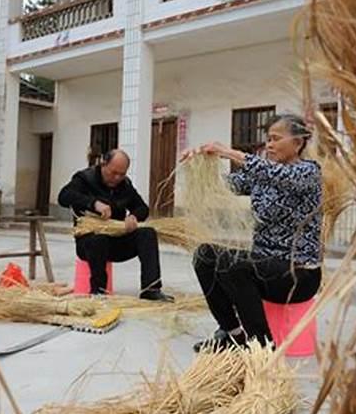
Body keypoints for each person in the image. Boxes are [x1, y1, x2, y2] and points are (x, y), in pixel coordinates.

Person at [184, 113, 322, 352]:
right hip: (265, 269)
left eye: (276, 138)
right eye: (267, 139)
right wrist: (200, 165)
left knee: (232, 263)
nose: (269, 144)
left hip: (297, 274)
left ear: (298, 143)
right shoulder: (261, 176)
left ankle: (260, 346)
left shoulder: (308, 173)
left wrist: (228, 152)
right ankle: (232, 332)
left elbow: (277, 175)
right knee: (205, 254)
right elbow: (226, 184)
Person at [58, 149, 174, 302]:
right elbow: (63, 197)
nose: (117, 177)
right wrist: (93, 204)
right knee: (99, 239)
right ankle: (98, 291)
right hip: (89, 244)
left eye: (122, 174)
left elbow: (142, 208)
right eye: (113, 173)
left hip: (117, 241)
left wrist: (133, 216)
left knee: (147, 233)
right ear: (103, 164)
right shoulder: (85, 179)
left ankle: (151, 289)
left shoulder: (124, 185)